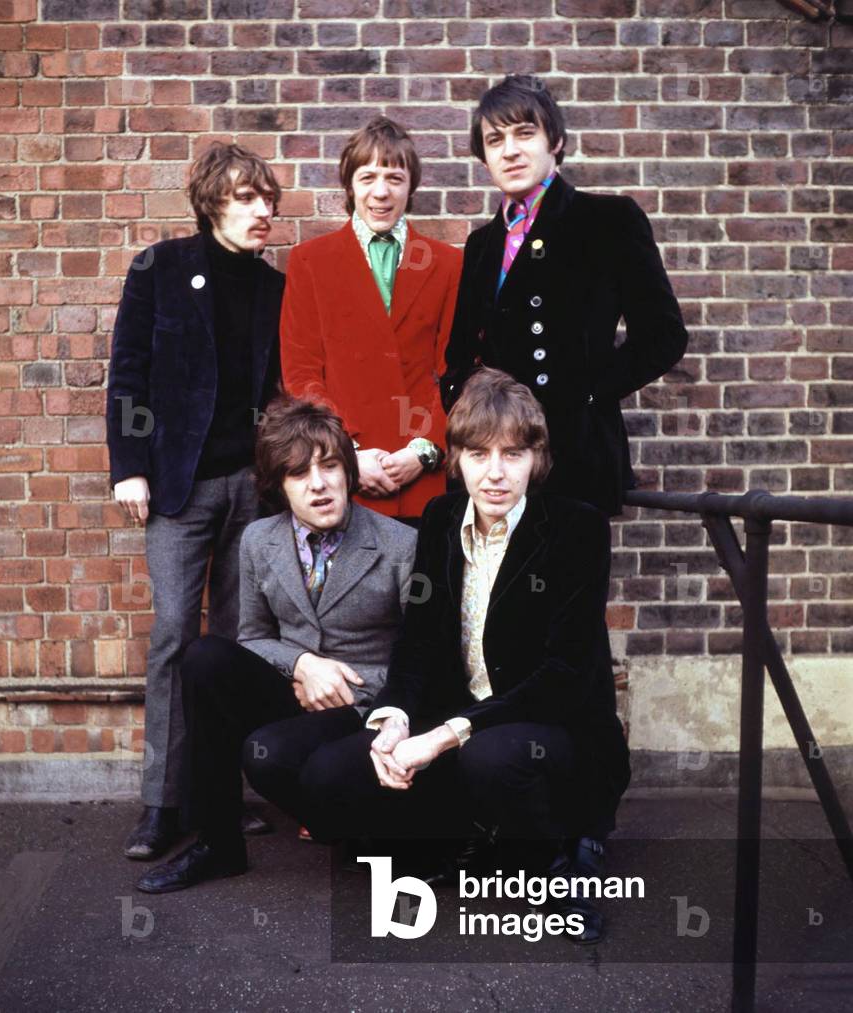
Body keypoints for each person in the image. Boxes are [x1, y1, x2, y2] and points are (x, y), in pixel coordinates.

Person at [300, 368, 631, 942]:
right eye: (479, 454)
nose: (495, 473)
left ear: (537, 458)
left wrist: (442, 737)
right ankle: (464, 834)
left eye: (512, 454)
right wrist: (394, 718)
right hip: (465, 727)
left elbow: (564, 676)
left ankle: (559, 857)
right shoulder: (440, 518)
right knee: (326, 776)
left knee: (491, 757)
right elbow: (419, 638)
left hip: (556, 733)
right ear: (456, 458)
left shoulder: (577, 528)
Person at [134, 396, 417, 893]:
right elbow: (253, 637)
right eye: (299, 473)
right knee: (204, 658)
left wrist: (347, 685)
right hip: (294, 695)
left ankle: (359, 828)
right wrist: (303, 664)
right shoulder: (258, 540)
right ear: (278, 486)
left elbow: (419, 657)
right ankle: (218, 845)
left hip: (364, 709)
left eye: (330, 466)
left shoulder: (399, 544)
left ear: (349, 472)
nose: (318, 484)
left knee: (270, 755)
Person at [105, 143, 284, 861]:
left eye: (267, 199)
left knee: (237, 646)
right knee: (176, 636)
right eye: (245, 198)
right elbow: (128, 371)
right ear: (211, 203)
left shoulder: (275, 288)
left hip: (254, 488)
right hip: (177, 486)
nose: (262, 210)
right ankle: (162, 804)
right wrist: (129, 467)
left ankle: (221, 800)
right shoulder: (160, 267)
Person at [442, 74, 688, 516]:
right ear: (484, 157)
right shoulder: (482, 244)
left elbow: (663, 337)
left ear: (554, 140)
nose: (510, 151)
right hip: (493, 466)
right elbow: (460, 354)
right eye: (495, 140)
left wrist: (586, 397)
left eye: (524, 133)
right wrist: (470, 409)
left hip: (575, 458)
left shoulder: (608, 220)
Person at [281, 116, 462, 524]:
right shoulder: (310, 262)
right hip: (342, 476)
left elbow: (458, 371)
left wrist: (425, 450)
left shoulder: (449, 264)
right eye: (367, 178)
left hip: (422, 478)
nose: (381, 192)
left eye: (395, 178)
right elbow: (301, 372)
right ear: (350, 185)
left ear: (411, 186)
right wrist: (345, 454)